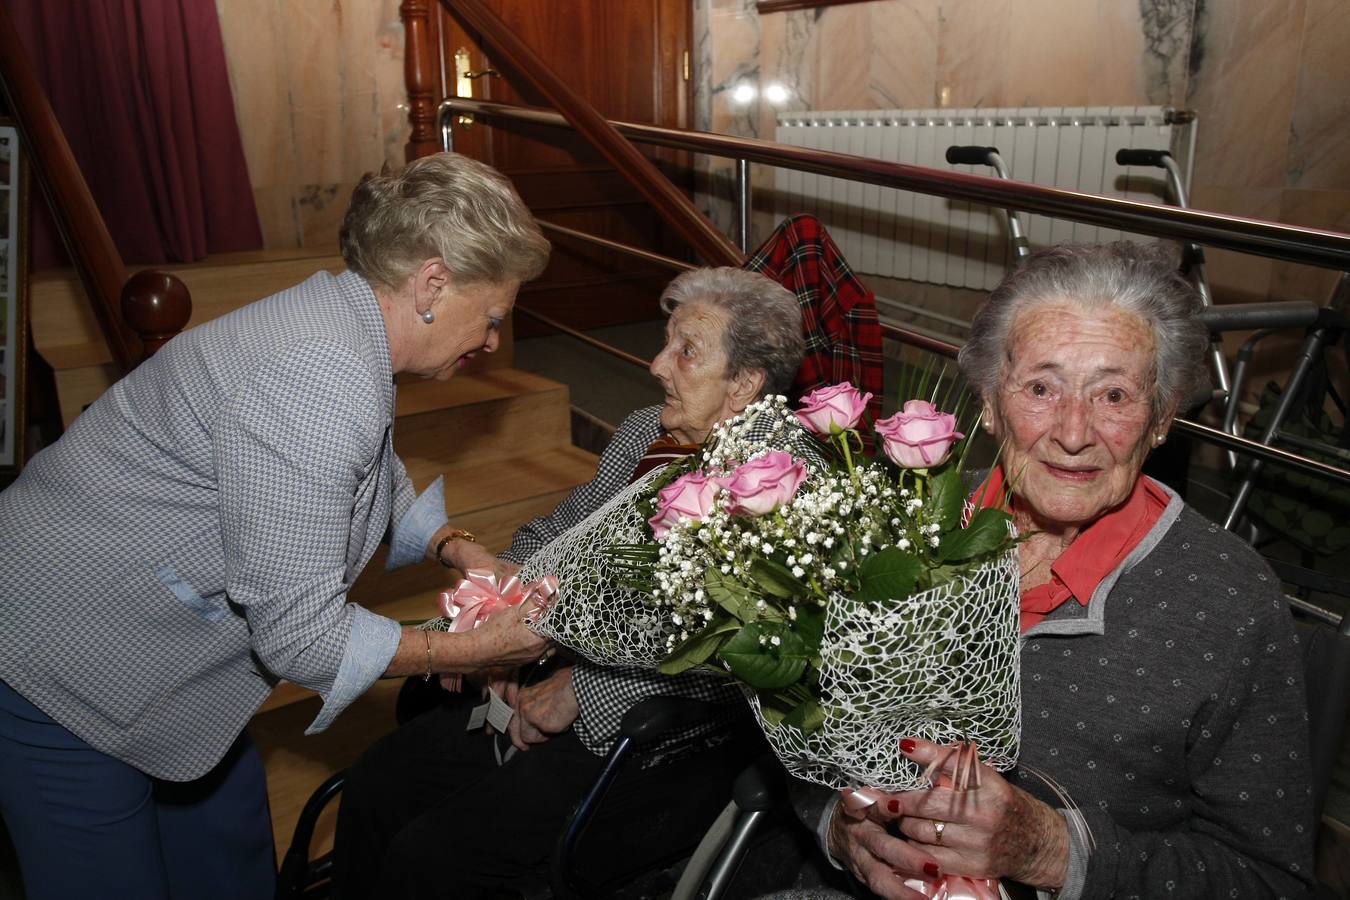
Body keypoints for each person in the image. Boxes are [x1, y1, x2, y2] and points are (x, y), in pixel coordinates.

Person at [0, 151, 555, 900]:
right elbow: (300, 635)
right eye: (490, 317)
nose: (491, 341)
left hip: (158, 651)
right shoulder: (321, 374)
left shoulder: (344, 320)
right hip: (61, 654)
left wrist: (455, 546)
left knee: (226, 860)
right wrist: (480, 645)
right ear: (432, 283)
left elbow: (358, 479)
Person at [788, 241, 1316, 899]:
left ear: (1160, 421)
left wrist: (1050, 852)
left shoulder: (1230, 601)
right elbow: (805, 736)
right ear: (988, 400)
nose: (1073, 431)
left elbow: (1271, 881)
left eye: (1114, 394)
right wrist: (843, 825)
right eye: (1042, 386)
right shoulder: (895, 531)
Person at [330, 266, 820, 898]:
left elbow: (749, 660)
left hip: (647, 733)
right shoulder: (650, 431)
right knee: (376, 783)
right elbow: (566, 527)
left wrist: (583, 691)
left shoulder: (778, 489)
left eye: (686, 351)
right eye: (665, 341)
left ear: (744, 385)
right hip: (540, 665)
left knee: (432, 858)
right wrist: (493, 600)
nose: (656, 363)